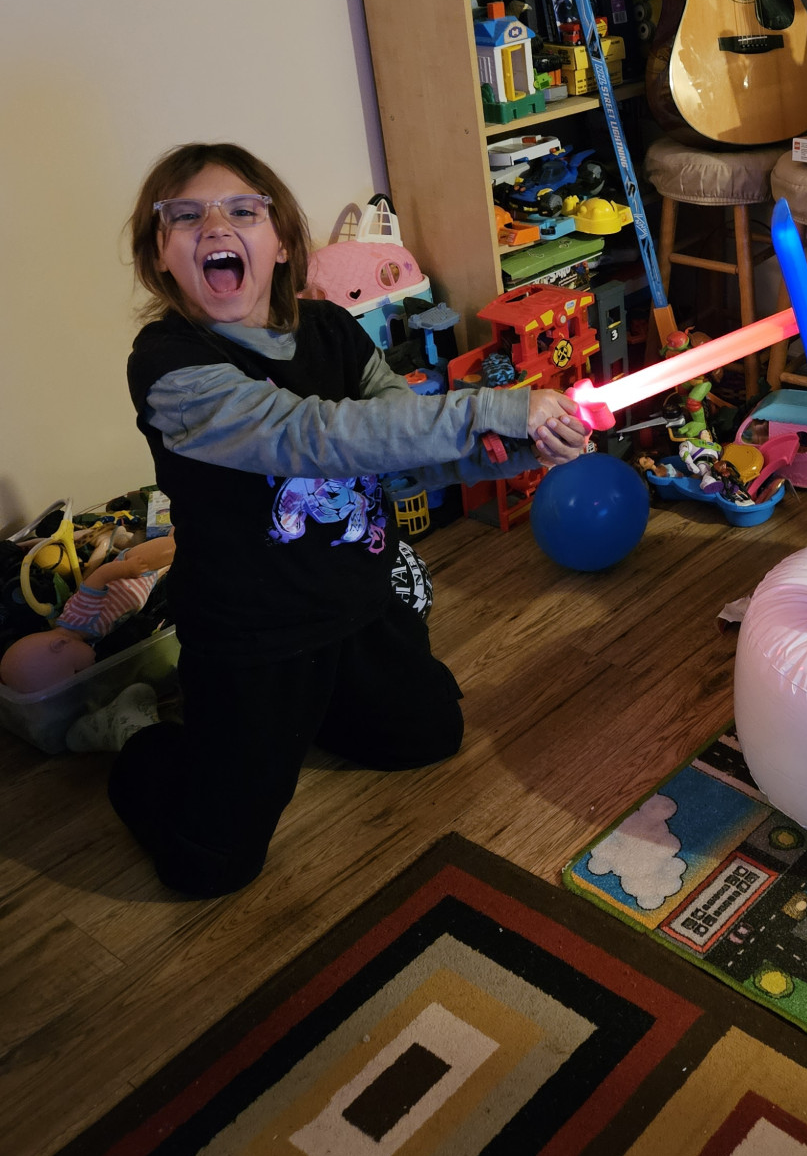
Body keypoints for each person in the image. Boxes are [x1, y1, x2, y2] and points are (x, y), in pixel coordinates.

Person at [92, 142, 589, 898]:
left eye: (242, 211)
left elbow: (400, 451)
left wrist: (505, 451)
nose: (215, 226)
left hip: (360, 602)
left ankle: (308, 713)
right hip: (252, 635)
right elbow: (314, 437)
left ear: (280, 241)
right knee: (209, 866)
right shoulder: (169, 365)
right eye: (185, 216)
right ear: (160, 255)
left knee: (429, 736)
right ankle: (136, 732)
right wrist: (492, 407)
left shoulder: (332, 330)